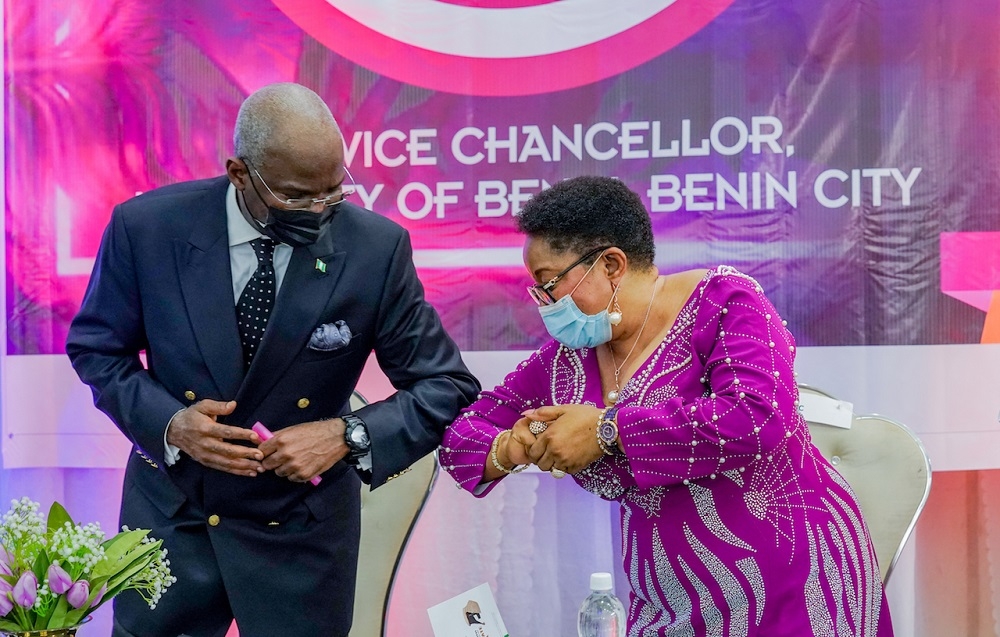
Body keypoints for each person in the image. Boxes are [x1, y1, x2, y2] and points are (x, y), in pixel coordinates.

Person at [66, 82, 480, 637]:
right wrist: (168, 424)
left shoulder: (375, 250)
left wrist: (346, 435)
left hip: (301, 537)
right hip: (172, 522)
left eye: (333, 193)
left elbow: (445, 385)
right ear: (241, 173)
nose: (319, 211)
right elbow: (98, 349)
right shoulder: (147, 230)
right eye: (297, 196)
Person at [440, 176, 893, 636]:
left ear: (611, 264)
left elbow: (757, 417)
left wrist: (607, 431)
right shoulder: (565, 362)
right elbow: (462, 439)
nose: (543, 304)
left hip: (791, 585)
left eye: (548, 284)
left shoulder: (724, 302)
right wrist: (515, 446)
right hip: (668, 603)